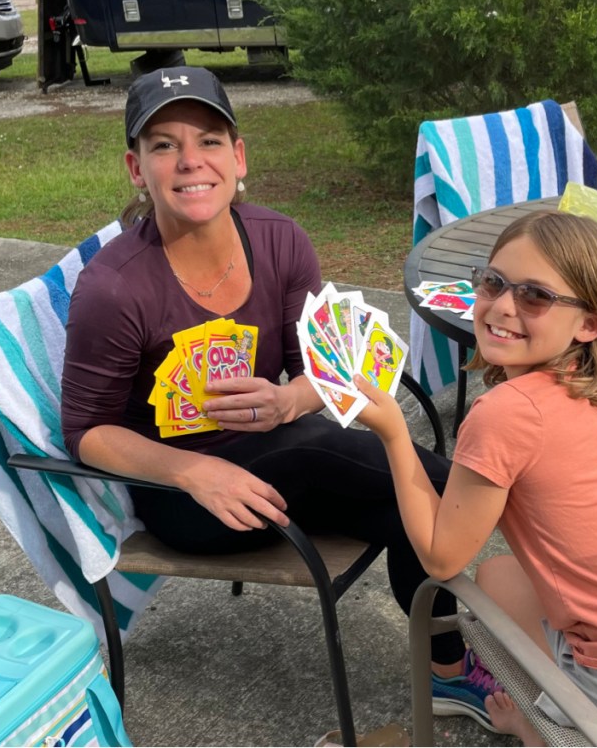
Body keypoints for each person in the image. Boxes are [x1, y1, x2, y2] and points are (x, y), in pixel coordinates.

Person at [59, 66, 472, 706]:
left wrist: (288, 400)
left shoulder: (279, 240)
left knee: (414, 510)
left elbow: (324, 367)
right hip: (189, 499)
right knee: (423, 478)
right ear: (137, 168)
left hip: (286, 466)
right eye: (164, 145)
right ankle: (505, 527)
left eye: (209, 140)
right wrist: (194, 472)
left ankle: (449, 672)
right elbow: (86, 432)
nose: (190, 160)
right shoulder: (114, 288)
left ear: (239, 156)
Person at [354, 210, 597, 743]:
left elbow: (441, 559)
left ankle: (544, 727)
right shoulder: (593, 383)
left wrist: (394, 435)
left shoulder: (503, 414)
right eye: (493, 282)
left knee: (484, 589)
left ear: (589, 323)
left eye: (535, 296)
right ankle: (547, 710)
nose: (503, 306)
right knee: (499, 576)